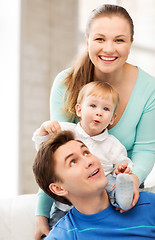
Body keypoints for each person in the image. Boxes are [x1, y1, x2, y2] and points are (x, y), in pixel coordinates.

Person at [34, 4, 155, 239]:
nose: (108, 49)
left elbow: (146, 148)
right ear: (87, 40)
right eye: (99, 39)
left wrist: (132, 179)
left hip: (124, 194)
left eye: (119, 40)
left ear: (131, 42)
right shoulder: (66, 83)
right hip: (77, 204)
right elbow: (54, 154)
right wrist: (41, 213)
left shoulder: (149, 88)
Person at [33, 81, 135, 214]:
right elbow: (44, 150)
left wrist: (122, 170)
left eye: (106, 109)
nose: (99, 112)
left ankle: (123, 199)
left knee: (111, 181)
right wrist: (44, 129)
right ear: (79, 110)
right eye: (93, 106)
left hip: (99, 195)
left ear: (112, 119)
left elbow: (124, 165)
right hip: (66, 202)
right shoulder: (66, 130)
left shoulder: (114, 145)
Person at [33, 130, 155, 240]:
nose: (89, 161)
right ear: (59, 188)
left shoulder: (148, 203)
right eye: (73, 162)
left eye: (86, 153)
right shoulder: (63, 235)